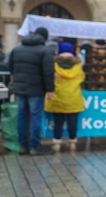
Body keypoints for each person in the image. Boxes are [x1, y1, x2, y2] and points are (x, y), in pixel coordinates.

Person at [6, 27, 55, 155]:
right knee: (35, 117)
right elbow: (48, 72)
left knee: (22, 117)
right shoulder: (45, 51)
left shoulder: (17, 49)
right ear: (45, 38)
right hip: (36, 89)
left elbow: (9, 65)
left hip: (20, 89)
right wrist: (50, 89)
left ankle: (23, 146)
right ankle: (35, 146)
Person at [46, 42, 85, 151]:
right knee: (73, 121)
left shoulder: (54, 64)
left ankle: (57, 143)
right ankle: (72, 142)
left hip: (58, 97)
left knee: (58, 121)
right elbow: (82, 78)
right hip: (74, 97)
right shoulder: (77, 65)